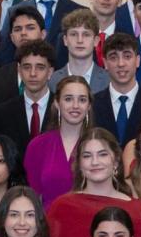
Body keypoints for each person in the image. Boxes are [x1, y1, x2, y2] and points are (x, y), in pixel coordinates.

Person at [23, 76, 93, 207]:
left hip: (89, 223)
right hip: (48, 223)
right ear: (56, 103)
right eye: (68, 99)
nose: (75, 106)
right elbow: (32, 198)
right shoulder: (37, 146)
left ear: (89, 106)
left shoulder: (99, 145)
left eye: (82, 100)